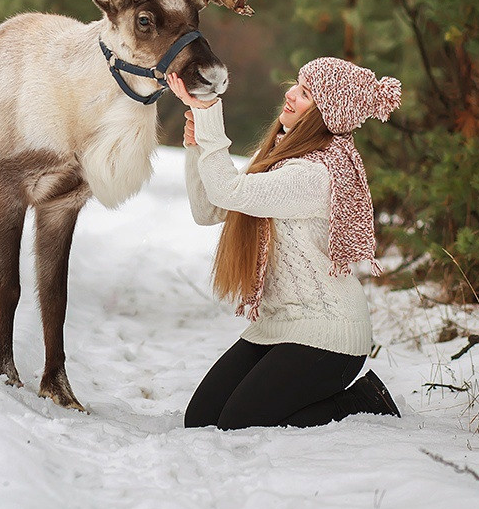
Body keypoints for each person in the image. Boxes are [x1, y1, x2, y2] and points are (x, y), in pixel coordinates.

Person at [165, 57, 403, 430]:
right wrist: (197, 147)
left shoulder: (316, 173)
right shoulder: (281, 158)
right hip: (280, 325)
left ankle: (365, 399)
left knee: (240, 423)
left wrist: (210, 112)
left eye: (306, 94)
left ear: (326, 114)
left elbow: (231, 190)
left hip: (328, 336)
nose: (290, 95)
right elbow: (209, 210)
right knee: (201, 420)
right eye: (297, 85)